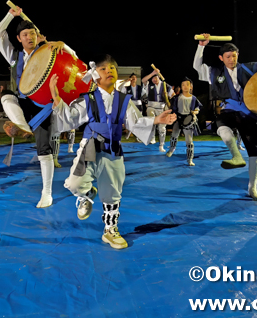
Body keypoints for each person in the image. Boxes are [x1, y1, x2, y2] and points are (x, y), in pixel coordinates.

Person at [51, 54, 177, 249]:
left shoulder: (125, 101)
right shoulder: (88, 99)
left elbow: (134, 122)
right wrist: (56, 97)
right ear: (95, 75)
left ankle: (110, 230)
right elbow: (70, 119)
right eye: (103, 69)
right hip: (90, 147)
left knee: (112, 192)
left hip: (113, 149)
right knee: (75, 184)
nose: (109, 71)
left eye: (112, 68)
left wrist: (156, 120)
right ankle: (86, 195)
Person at [0, 5, 75, 208]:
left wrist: (63, 45)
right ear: (19, 39)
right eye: (25, 34)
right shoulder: (15, 57)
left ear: (38, 36)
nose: (29, 37)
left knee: (43, 149)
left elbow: (73, 57)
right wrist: (10, 16)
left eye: (32, 33)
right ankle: (21, 125)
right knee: (5, 95)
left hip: (43, 106)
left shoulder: (48, 50)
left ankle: (46, 193)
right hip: (22, 103)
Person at [193, 34, 257, 200]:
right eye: (228, 57)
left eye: (234, 56)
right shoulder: (214, 72)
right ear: (221, 58)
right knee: (222, 129)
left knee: (255, 152)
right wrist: (201, 46)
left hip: (247, 113)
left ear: (238, 56)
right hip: (228, 111)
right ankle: (236, 156)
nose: (231, 59)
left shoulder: (248, 68)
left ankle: (253, 189)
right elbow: (197, 66)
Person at [166, 77, 202, 166]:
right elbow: (172, 107)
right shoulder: (176, 97)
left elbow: (198, 107)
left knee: (189, 141)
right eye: (183, 85)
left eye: (187, 85)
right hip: (178, 118)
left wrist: (196, 112)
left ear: (191, 87)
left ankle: (190, 159)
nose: (185, 86)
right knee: (174, 135)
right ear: (181, 87)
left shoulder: (193, 98)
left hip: (188, 120)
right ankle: (171, 149)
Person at [142, 69, 174, 152]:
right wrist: (152, 73)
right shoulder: (149, 86)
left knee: (162, 127)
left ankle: (161, 144)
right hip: (151, 106)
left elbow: (173, 95)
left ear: (159, 77)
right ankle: (152, 138)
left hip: (161, 107)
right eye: (152, 78)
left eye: (155, 77)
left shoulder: (165, 85)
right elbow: (143, 80)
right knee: (151, 123)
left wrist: (169, 103)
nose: (153, 79)